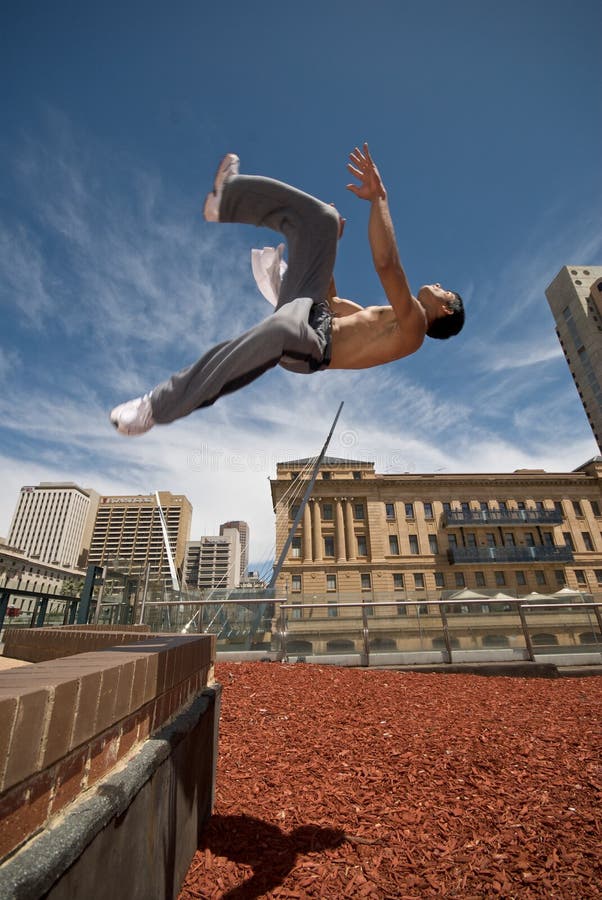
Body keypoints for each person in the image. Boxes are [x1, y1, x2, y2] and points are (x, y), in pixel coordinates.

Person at [110, 144, 464, 435]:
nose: (436, 284)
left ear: (445, 309)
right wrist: (329, 248)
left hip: (312, 350)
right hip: (313, 314)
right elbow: (332, 301)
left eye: (443, 290)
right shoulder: (383, 319)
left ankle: (155, 406)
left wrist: (379, 200)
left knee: (283, 328)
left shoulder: (414, 329)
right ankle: (229, 198)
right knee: (322, 221)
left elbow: (388, 266)